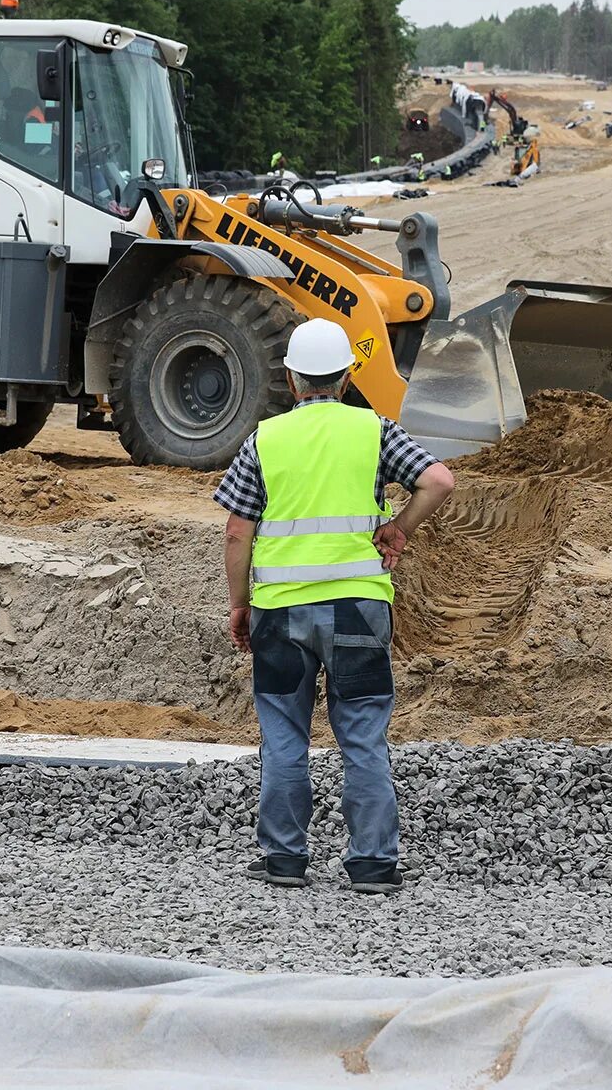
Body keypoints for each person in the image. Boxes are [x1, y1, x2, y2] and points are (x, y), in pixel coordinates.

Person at [215, 319, 456, 894]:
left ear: (292, 379)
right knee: (363, 736)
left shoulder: (265, 439)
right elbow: (440, 480)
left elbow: (235, 533)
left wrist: (239, 604)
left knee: (283, 735)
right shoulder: (374, 430)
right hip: (358, 609)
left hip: (280, 612)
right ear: (347, 377)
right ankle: (373, 863)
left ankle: (284, 859)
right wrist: (398, 527)